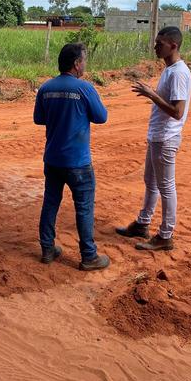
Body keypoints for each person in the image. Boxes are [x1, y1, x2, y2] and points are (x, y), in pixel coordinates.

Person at [34, 43, 110, 271]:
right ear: (76, 64)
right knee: (84, 207)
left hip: (53, 159)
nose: (85, 64)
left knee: (50, 203)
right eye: (84, 60)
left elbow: (39, 119)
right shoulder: (84, 88)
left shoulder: (46, 88)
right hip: (78, 162)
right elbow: (101, 117)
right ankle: (89, 256)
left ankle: (47, 249)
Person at [116, 26, 191, 251]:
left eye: (160, 43)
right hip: (158, 136)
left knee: (166, 187)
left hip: (166, 138)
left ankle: (166, 235)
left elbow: (177, 112)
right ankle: (142, 223)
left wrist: (152, 95)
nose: (155, 47)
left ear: (173, 45)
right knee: (151, 182)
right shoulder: (170, 69)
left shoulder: (178, 72)